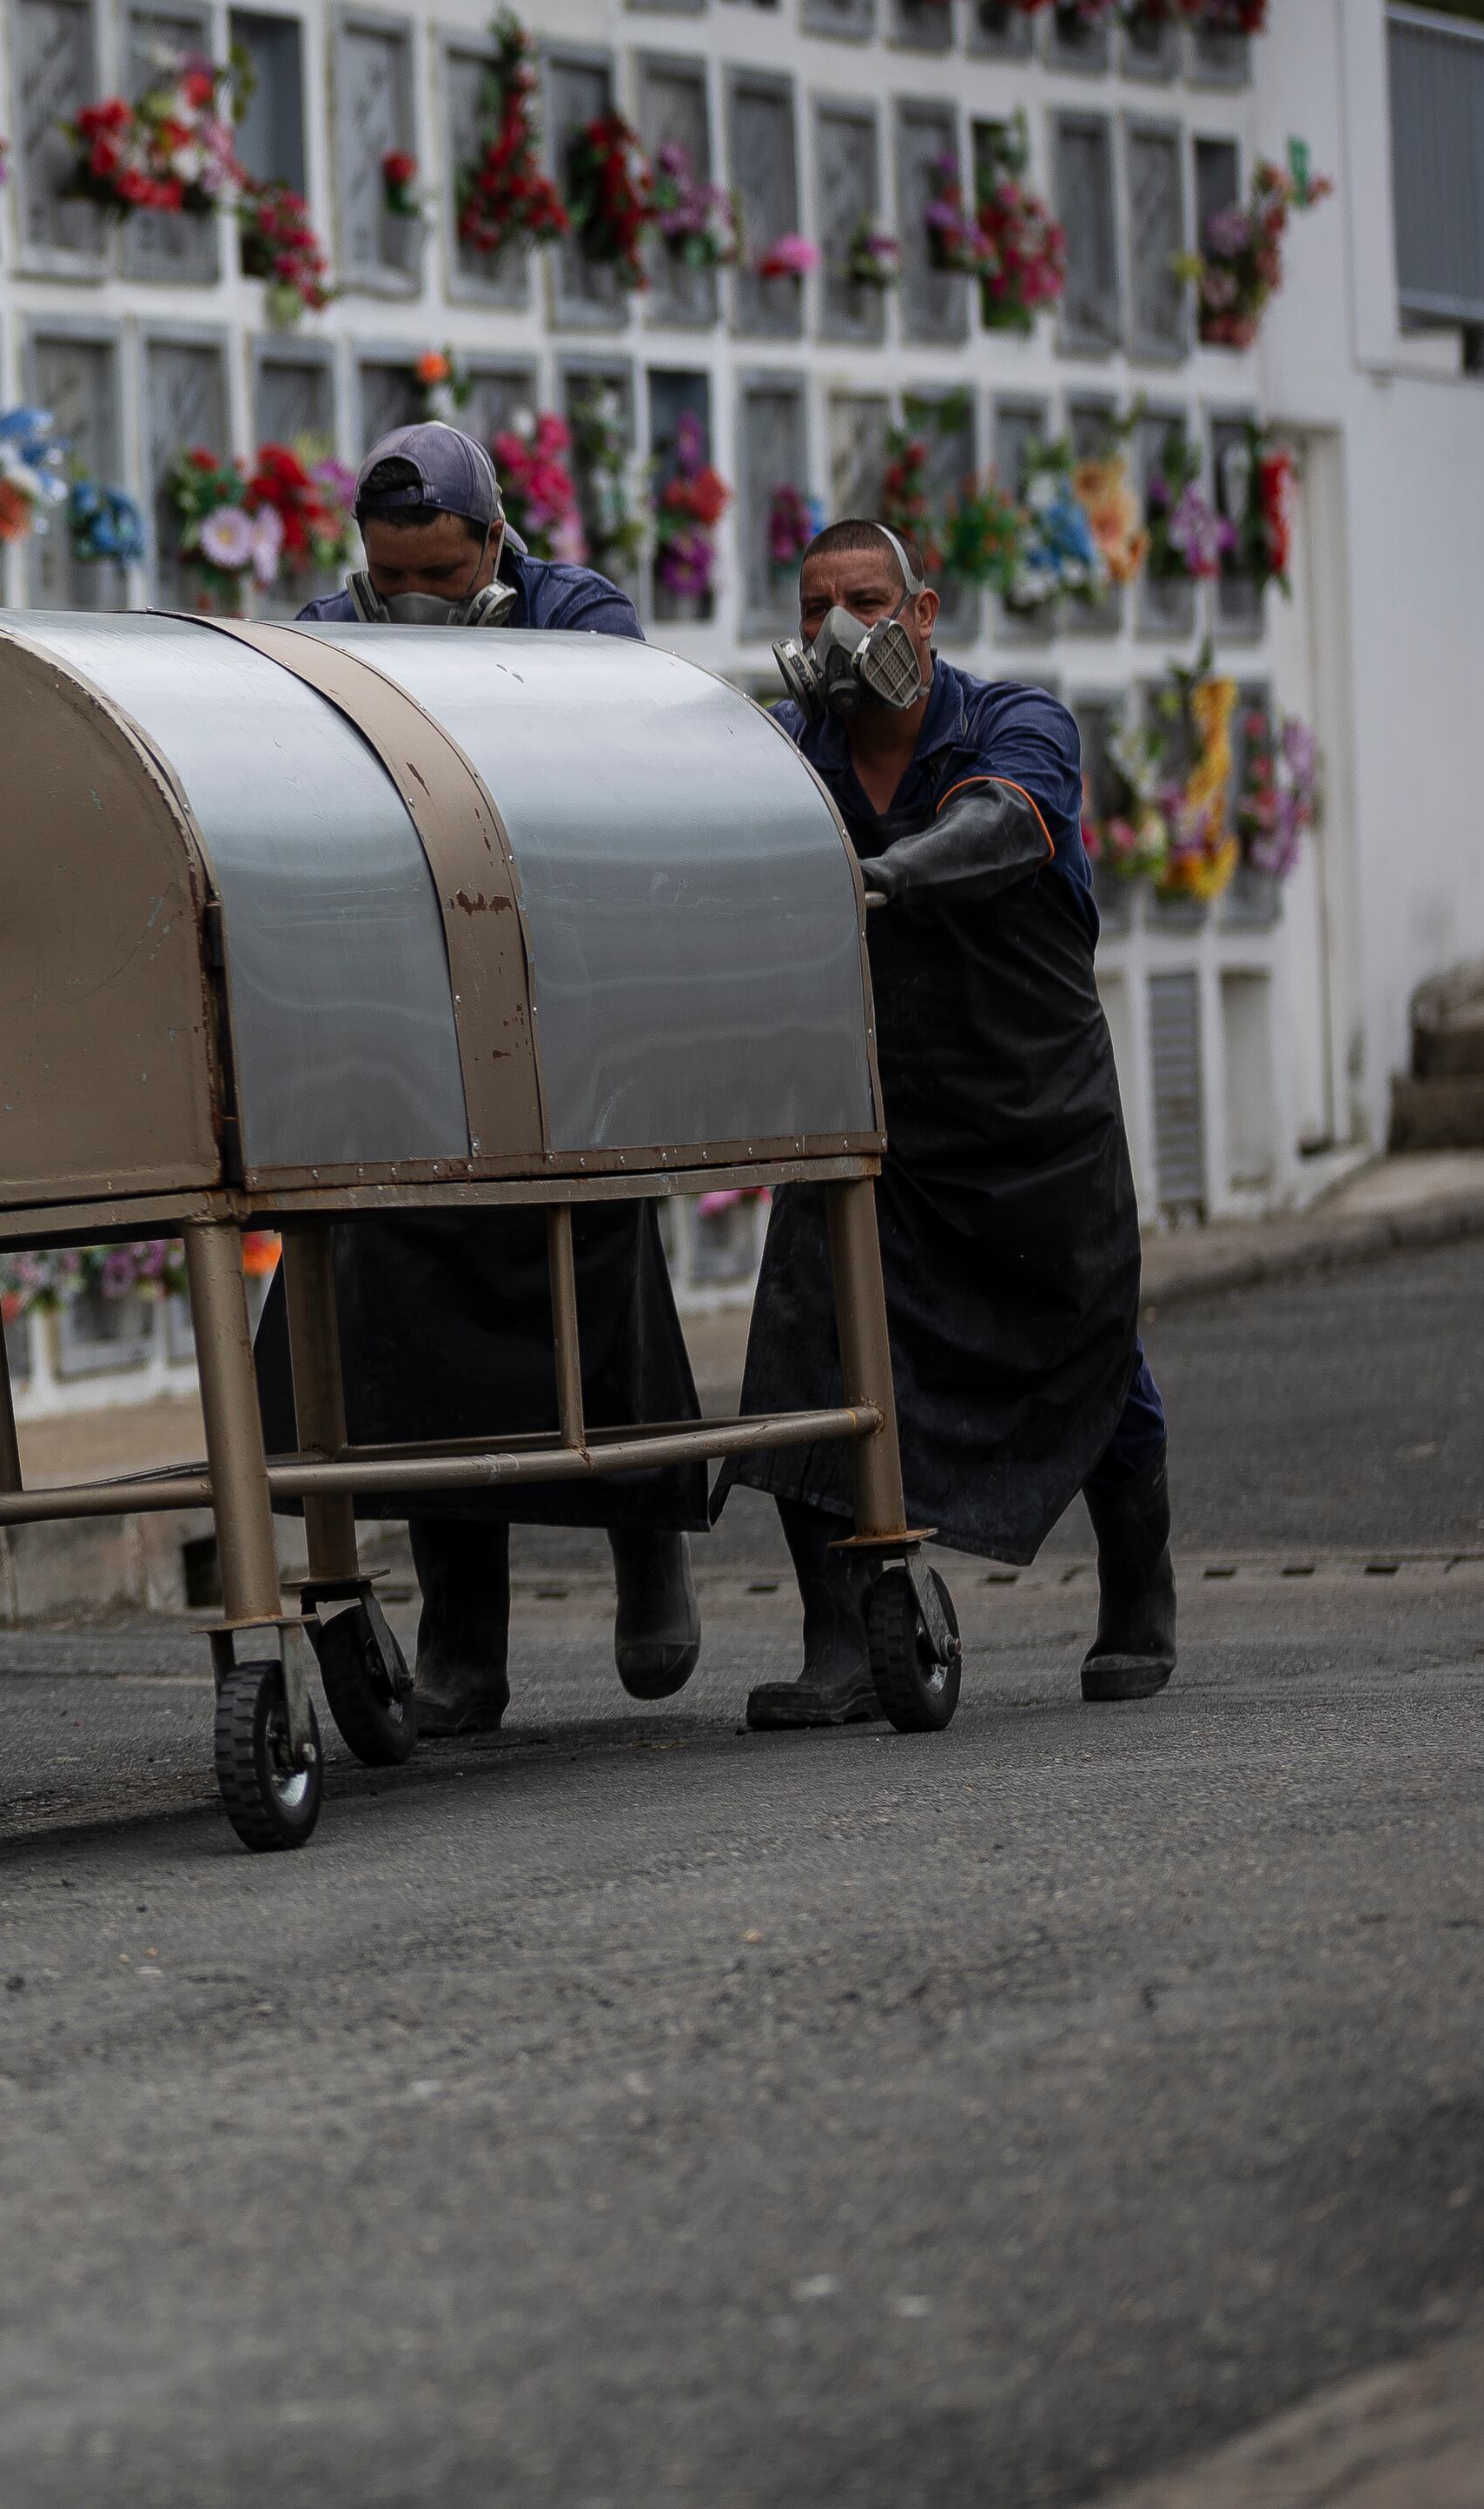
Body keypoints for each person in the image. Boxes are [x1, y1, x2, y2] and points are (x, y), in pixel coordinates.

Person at [248, 421, 709, 1736]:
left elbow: (605, 771)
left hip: (558, 1007)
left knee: (596, 1277)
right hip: (410, 1016)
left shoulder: (582, 618)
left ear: (495, 542)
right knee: (401, 1317)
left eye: (443, 574)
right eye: (392, 577)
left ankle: (647, 1545)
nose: (415, 602)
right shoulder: (320, 635)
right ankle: (465, 1634)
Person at [723, 518, 1175, 1722]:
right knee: (807, 1344)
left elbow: (1009, 824)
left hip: (1029, 1105)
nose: (840, 628)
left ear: (922, 615)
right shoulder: (785, 748)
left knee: (1084, 1342)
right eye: (819, 602)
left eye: (867, 599)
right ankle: (837, 1644)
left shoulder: (1016, 723)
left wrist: (881, 873)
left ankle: (1140, 1587)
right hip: (875, 1109)